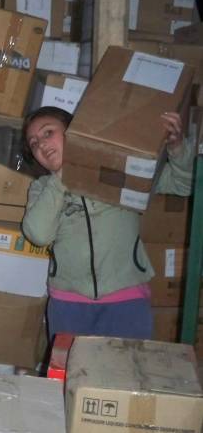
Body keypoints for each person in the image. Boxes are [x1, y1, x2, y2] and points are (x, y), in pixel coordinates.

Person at [21, 105, 193, 342]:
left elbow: (184, 184)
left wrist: (177, 147)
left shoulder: (119, 169)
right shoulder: (42, 188)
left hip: (126, 300)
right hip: (68, 304)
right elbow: (38, 234)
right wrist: (62, 178)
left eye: (48, 132)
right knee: (69, 367)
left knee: (125, 367)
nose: (41, 144)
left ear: (74, 132)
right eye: (33, 143)